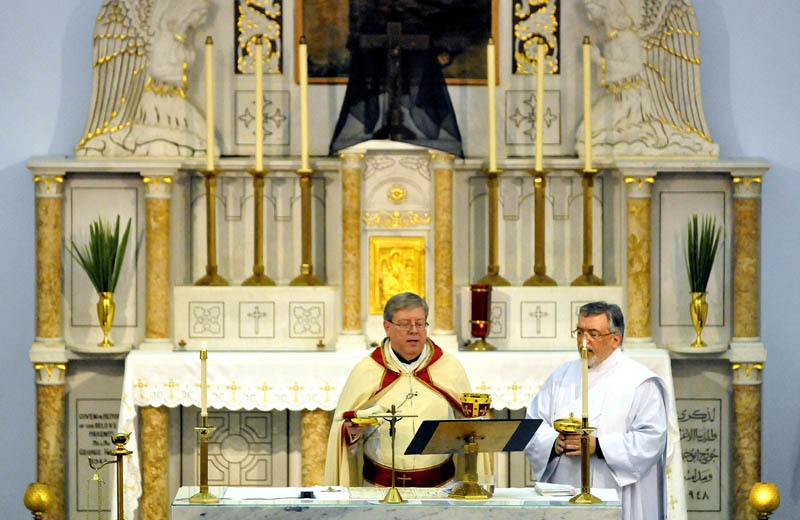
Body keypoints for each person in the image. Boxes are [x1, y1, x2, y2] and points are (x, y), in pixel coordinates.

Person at [524, 301, 667, 520]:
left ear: (615, 339)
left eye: (593, 334)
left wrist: (599, 446)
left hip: (618, 494)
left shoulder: (640, 382)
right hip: (564, 491)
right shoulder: (561, 376)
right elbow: (532, 424)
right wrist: (554, 442)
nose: (583, 341)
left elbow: (651, 439)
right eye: (579, 332)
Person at [324, 292, 473, 487]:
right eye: (405, 324)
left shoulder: (448, 367)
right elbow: (342, 427)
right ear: (387, 327)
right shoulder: (367, 370)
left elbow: (471, 426)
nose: (414, 331)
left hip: (440, 488)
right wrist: (352, 431)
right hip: (378, 489)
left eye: (420, 324)